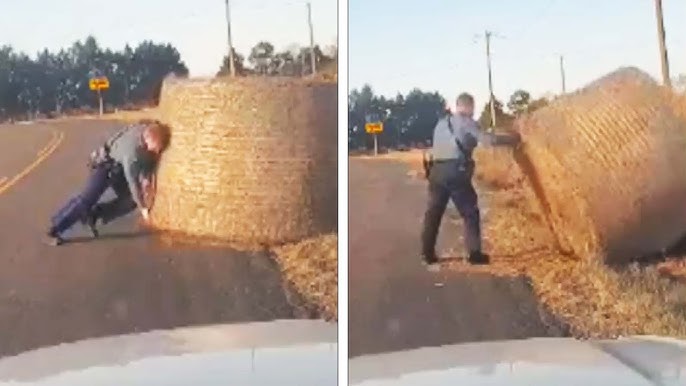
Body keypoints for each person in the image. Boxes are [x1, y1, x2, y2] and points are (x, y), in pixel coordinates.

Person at [421, 93, 520, 266]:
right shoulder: (466, 122)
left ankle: (427, 254)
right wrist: (513, 139)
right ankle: (474, 254)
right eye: (472, 108)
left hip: (436, 172)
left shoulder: (441, 124)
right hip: (456, 171)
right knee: (470, 212)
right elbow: (488, 140)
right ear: (468, 107)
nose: (473, 112)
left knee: (433, 214)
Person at [45, 120, 171, 246]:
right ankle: (54, 229)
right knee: (86, 200)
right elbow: (132, 180)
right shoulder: (131, 151)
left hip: (118, 167)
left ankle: (94, 216)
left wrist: (146, 178)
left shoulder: (146, 129)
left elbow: (146, 161)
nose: (156, 152)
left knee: (131, 201)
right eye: (154, 149)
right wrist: (143, 207)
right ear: (147, 139)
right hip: (104, 165)